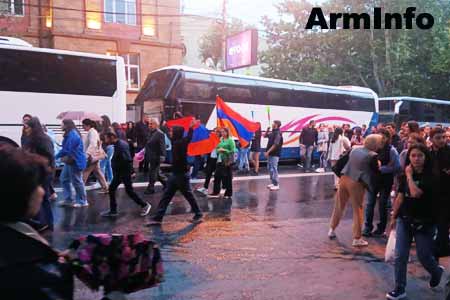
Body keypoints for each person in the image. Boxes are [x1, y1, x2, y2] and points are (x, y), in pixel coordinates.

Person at [0, 145, 74, 300]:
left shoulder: (19, 229)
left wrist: (53, 257)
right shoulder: (25, 274)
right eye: (36, 185)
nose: (42, 191)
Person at [387, 143, 444, 300]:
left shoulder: (431, 176)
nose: (416, 159)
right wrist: (393, 217)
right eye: (413, 156)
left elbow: (415, 193)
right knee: (400, 256)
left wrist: (410, 176)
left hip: (425, 222)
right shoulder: (405, 175)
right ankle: (399, 288)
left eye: (420, 155)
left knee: (424, 256)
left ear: (426, 157)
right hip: (405, 219)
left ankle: (436, 271)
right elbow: (400, 197)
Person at [328, 134, 381, 247]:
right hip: (357, 182)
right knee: (358, 209)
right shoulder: (373, 155)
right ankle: (357, 238)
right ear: (376, 144)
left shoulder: (355, 149)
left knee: (339, 205)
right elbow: (375, 172)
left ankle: (332, 229)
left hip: (344, 178)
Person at [146, 120, 203, 225]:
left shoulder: (180, 143)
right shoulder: (176, 142)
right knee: (167, 196)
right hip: (176, 174)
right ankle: (158, 218)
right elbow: (187, 137)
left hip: (181, 175)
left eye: (172, 131)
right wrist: (190, 128)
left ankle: (198, 213)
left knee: (186, 195)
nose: (170, 133)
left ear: (176, 133)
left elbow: (188, 138)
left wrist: (191, 128)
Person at [101, 132, 151, 218]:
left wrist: (131, 172)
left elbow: (127, 159)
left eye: (106, 138)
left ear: (112, 137)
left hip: (124, 172)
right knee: (112, 189)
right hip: (119, 172)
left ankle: (145, 205)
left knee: (129, 191)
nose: (106, 140)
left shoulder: (121, 146)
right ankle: (113, 210)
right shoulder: (118, 144)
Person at [363, 128, 400, 237]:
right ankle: (367, 228)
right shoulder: (372, 148)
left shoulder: (392, 150)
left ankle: (381, 228)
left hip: (385, 181)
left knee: (382, 204)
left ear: (388, 138)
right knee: (370, 204)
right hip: (373, 180)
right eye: (379, 136)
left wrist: (382, 169)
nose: (381, 139)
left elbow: (397, 167)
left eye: (384, 137)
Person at [23, 117, 55, 231]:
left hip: (43, 173)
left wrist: (46, 169)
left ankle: (42, 223)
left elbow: (49, 156)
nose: (25, 130)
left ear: (33, 127)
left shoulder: (42, 139)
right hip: (40, 172)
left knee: (40, 197)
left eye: (27, 127)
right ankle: (47, 223)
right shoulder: (35, 138)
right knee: (43, 197)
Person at [56, 119, 88, 208]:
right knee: (64, 179)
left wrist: (55, 156)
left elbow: (66, 150)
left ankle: (82, 201)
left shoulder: (72, 135)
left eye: (62, 124)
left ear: (66, 125)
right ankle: (68, 199)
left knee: (77, 181)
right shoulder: (70, 134)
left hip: (75, 161)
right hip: (71, 161)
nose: (60, 126)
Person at [429, 128, 450, 258]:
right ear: (431, 139)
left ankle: (441, 249)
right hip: (431, 195)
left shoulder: (449, 152)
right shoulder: (426, 152)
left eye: (444, 137)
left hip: (446, 194)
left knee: (443, 225)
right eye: (438, 138)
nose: (442, 140)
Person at [81, 119, 109, 194]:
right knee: (97, 172)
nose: (82, 127)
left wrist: (87, 154)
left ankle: (80, 191)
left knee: (85, 172)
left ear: (88, 125)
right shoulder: (92, 132)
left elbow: (93, 144)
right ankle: (105, 187)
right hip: (94, 156)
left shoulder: (92, 132)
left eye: (83, 125)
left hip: (92, 156)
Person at [209, 127, 236, 198]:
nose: (223, 133)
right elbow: (217, 149)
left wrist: (225, 150)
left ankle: (228, 194)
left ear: (227, 132)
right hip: (220, 160)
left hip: (227, 161)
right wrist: (219, 150)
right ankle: (215, 192)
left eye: (224, 132)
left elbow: (233, 151)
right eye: (222, 132)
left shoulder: (230, 140)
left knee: (227, 178)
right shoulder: (220, 139)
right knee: (217, 176)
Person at [144, 118, 167, 195]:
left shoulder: (160, 133)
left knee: (152, 172)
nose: (149, 125)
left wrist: (162, 156)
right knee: (156, 172)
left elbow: (162, 146)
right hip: (151, 156)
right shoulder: (151, 132)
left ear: (156, 125)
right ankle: (167, 184)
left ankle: (151, 188)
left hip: (156, 156)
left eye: (151, 124)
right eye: (149, 124)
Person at [196, 127, 221, 195]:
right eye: (215, 131)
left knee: (217, 175)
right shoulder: (211, 139)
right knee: (208, 173)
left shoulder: (221, 140)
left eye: (217, 132)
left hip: (218, 160)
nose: (215, 133)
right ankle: (205, 188)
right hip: (211, 159)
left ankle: (218, 190)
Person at [264, 120, 283, 191]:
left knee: (274, 168)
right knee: (269, 168)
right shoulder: (273, 132)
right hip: (270, 153)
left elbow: (276, 144)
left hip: (275, 153)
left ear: (276, 124)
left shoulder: (278, 133)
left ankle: (276, 184)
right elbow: (265, 136)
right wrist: (267, 130)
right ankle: (273, 182)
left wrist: (267, 152)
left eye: (273, 123)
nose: (272, 124)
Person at [100, 115, 114, 183]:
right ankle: (111, 180)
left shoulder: (108, 129)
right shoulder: (107, 128)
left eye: (101, 120)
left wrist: (102, 140)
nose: (100, 121)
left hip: (108, 148)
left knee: (101, 166)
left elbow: (110, 139)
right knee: (108, 165)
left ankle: (101, 182)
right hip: (108, 148)